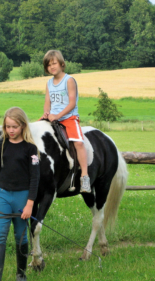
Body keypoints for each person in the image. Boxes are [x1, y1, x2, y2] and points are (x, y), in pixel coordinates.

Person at [0, 107, 40, 281]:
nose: (11, 130)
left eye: (14, 126)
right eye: (8, 126)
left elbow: (35, 178)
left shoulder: (31, 149)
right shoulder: (2, 145)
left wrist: (29, 204)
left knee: (20, 235)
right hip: (3, 195)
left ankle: (21, 275)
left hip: (22, 198)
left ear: (22, 126)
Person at [40, 50, 91, 193]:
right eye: (48, 65)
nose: (52, 67)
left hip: (68, 117)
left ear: (62, 64)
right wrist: (47, 112)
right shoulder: (49, 83)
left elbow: (72, 103)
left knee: (79, 143)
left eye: (54, 63)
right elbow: (47, 102)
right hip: (52, 117)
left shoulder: (69, 80)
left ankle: (85, 176)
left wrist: (58, 115)